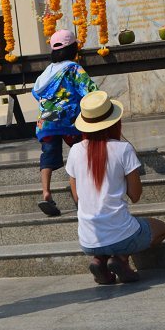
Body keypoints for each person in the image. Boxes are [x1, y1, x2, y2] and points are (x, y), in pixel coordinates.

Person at [66, 90, 165, 284]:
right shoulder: (123, 149)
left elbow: (77, 197)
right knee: (160, 228)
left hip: (88, 240)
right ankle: (121, 259)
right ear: (113, 121)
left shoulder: (75, 151)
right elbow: (135, 195)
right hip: (121, 235)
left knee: (110, 236)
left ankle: (99, 260)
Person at [32, 29, 97, 217]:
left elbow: (36, 93)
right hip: (70, 120)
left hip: (46, 121)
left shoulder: (47, 72)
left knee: (48, 155)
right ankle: (78, 198)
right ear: (73, 49)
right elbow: (90, 90)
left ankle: (46, 192)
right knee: (78, 154)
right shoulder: (73, 68)